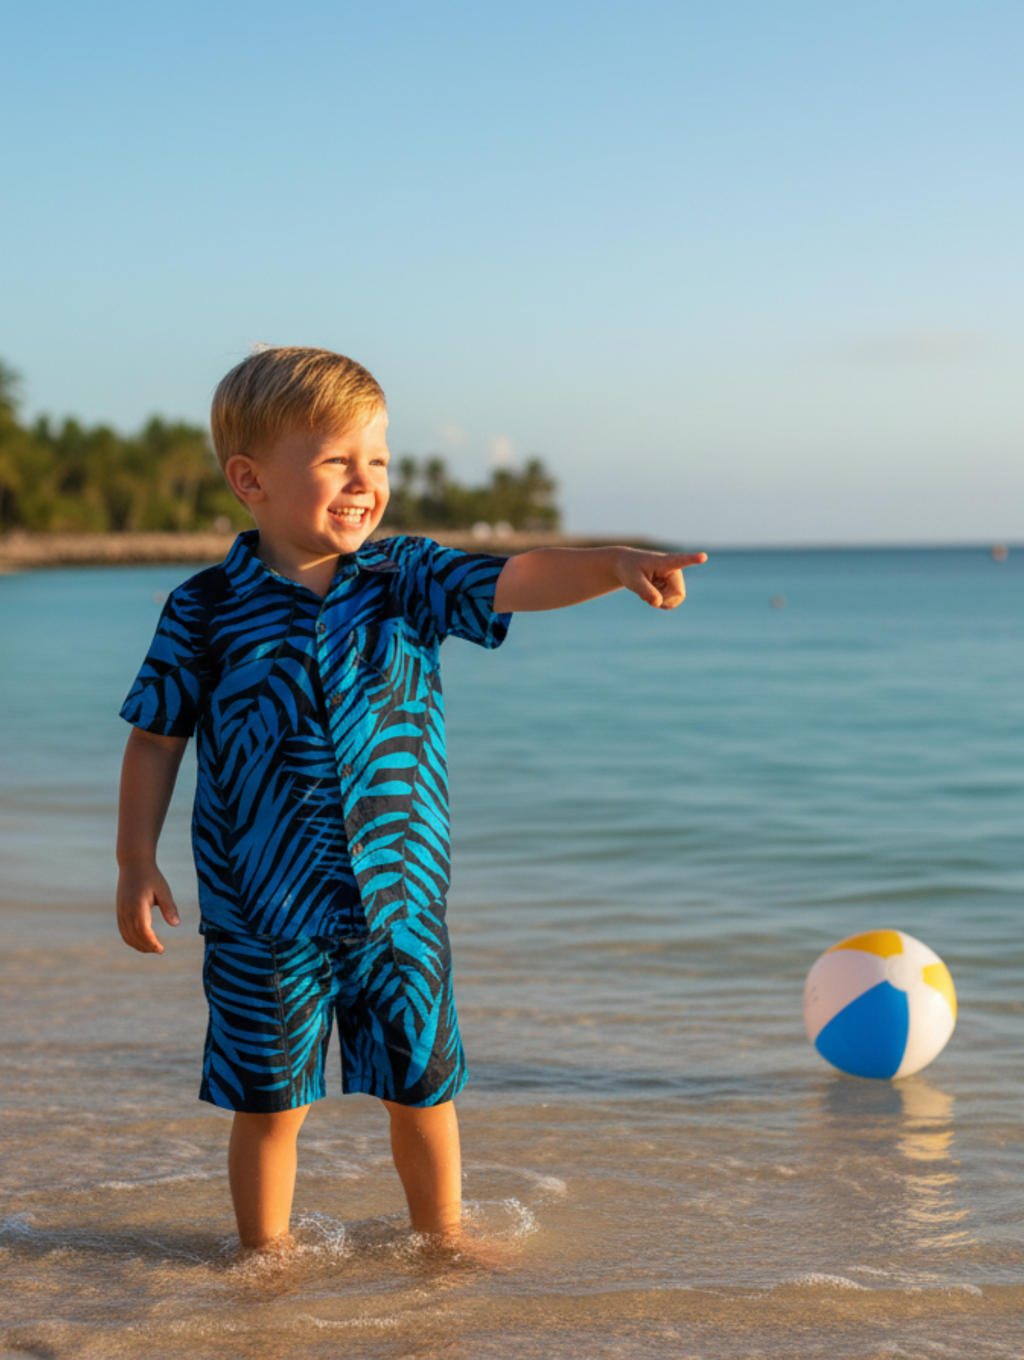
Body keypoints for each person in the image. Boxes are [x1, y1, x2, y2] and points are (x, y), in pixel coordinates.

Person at [115, 346, 706, 1254]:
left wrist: (613, 563)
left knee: (424, 1091)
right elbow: (157, 738)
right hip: (261, 909)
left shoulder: (406, 580)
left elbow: (517, 575)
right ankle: (264, 1261)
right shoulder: (204, 609)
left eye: (378, 461)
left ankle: (445, 1243)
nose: (365, 482)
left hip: (401, 900)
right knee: (270, 1104)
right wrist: (134, 862)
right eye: (335, 461)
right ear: (250, 479)